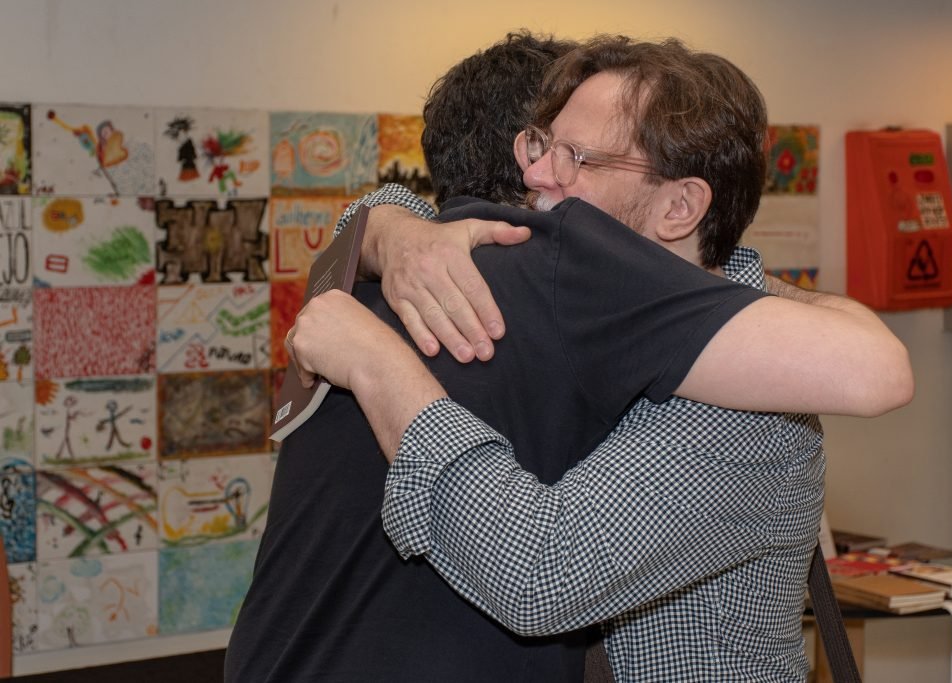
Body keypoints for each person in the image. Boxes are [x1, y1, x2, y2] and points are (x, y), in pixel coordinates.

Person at [226, 35, 912, 683]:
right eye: (541, 144)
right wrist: (389, 231)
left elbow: (541, 575)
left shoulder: (747, 405)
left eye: (576, 158)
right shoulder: (560, 300)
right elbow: (391, 203)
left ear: (679, 206)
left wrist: (381, 367)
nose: (533, 172)